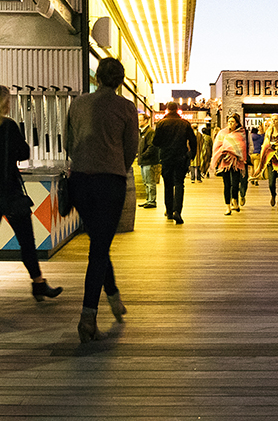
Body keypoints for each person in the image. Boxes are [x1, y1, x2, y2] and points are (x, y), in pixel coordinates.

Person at [0, 84, 64, 311]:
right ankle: (38, 284)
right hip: (9, 194)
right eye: (7, 100)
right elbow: (24, 152)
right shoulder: (8, 126)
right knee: (26, 241)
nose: (9, 104)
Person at [64, 57, 138, 342]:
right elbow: (131, 147)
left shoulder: (78, 103)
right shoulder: (126, 107)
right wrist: (116, 164)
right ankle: (87, 316)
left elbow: (68, 143)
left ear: (96, 78)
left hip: (80, 181)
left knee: (98, 241)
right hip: (110, 182)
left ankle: (114, 298)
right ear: (120, 81)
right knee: (99, 248)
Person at [153, 103, 197, 224]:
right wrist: (191, 155)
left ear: (167, 110)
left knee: (168, 185)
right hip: (180, 157)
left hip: (166, 158)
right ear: (177, 110)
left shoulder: (161, 123)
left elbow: (155, 142)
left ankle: (169, 211)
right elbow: (193, 141)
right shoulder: (185, 124)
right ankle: (177, 211)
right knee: (179, 183)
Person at [211, 115, 249, 215]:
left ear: (237, 123)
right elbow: (217, 145)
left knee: (235, 184)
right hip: (225, 161)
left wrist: (233, 150)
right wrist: (224, 150)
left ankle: (235, 201)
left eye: (232, 122)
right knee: (227, 184)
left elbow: (242, 146)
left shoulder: (241, 133)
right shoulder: (222, 133)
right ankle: (227, 206)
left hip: (237, 162)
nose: (230, 124)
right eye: (229, 122)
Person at [136, 113, 161, 209]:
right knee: (145, 181)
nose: (138, 122)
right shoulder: (141, 132)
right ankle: (148, 200)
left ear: (146, 121)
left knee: (150, 181)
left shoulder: (150, 131)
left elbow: (152, 146)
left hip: (148, 160)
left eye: (140, 120)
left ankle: (152, 201)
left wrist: (143, 155)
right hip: (143, 160)